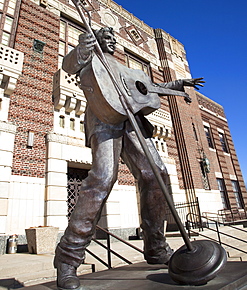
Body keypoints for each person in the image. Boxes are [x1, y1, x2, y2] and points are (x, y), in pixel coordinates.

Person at [54, 27, 204, 289]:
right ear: (98, 39)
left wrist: (176, 86)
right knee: (103, 178)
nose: (112, 41)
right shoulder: (91, 55)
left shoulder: (122, 66)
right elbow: (69, 65)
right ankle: (68, 258)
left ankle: (156, 247)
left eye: (113, 38)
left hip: (133, 121)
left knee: (156, 174)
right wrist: (83, 48)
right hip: (105, 117)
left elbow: (148, 87)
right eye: (107, 37)